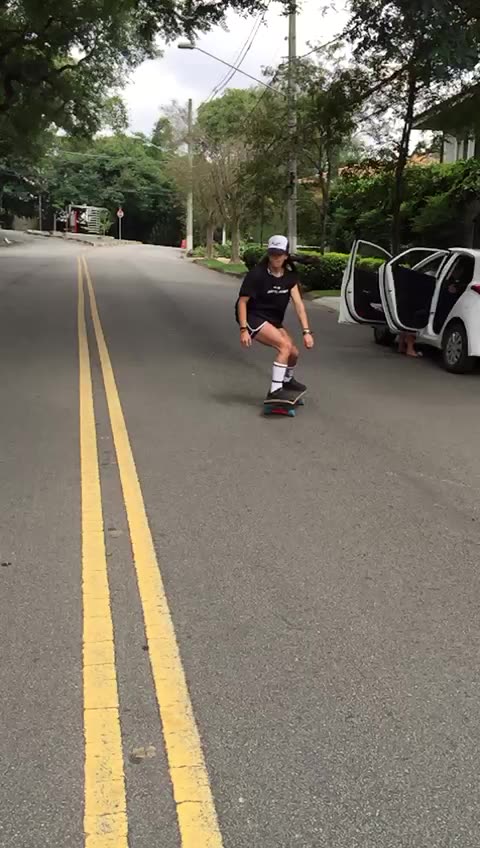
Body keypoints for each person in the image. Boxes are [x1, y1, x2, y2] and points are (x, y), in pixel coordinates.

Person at [235, 235, 314, 402]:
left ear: (285, 255)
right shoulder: (257, 274)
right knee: (284, 346)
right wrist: (243, 329)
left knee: (293, 352)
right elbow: (242, 302)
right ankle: (275, 391)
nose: (275, 258)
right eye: (272, 254)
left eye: (279, 254)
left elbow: (299, 305)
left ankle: (287, 380)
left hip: (273, 319)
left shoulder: (290, 278)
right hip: (253, 316)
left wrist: (306, 332)